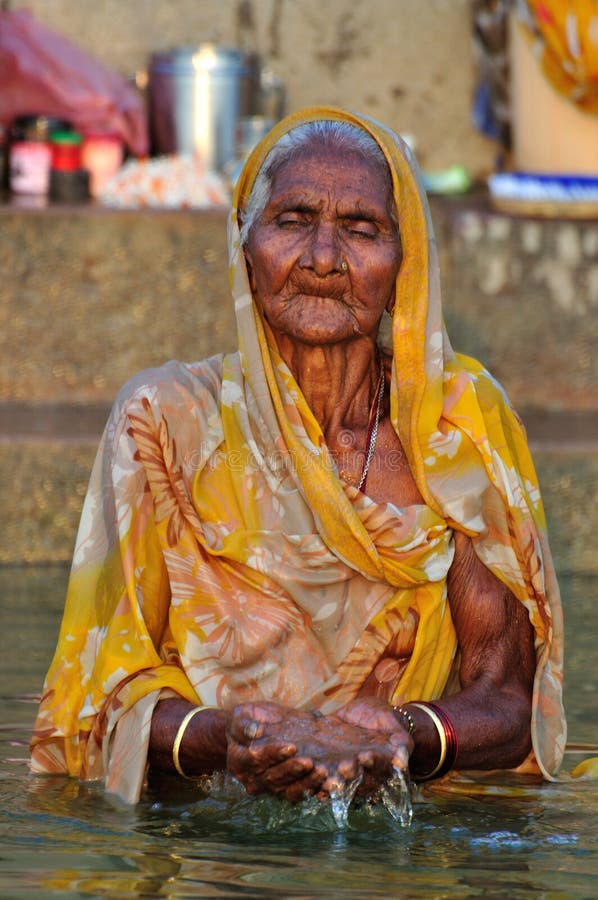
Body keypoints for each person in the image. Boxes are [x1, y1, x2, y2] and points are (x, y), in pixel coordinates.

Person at [30, 106, 565, 805]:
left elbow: (506, 696)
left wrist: (398, 735)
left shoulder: (459, 426)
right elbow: (102, 696)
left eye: (361, 228)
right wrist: (227, 738)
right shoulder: (165, 421)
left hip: (407, 841)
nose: (321, 258)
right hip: (209, 845)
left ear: (405, 263)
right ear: (244, 248)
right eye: (292, 220)